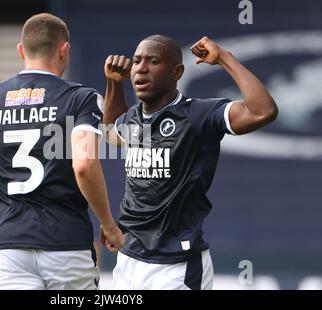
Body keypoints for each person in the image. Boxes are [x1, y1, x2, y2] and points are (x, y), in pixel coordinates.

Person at [0, 13, 124, 290]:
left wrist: (0, 209)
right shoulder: (81, 99)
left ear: (21, 50)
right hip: (65, 245)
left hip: (6, 248)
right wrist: (108, 224)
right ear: (64, 50)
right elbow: (84, 165)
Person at [102, 35, 278, 290]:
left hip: (176, 265)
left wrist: (224, 58)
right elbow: (110, 133)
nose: (141, 67)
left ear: (177, 72)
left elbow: (263, 111)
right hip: (128, 259)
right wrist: (114, 84)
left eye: (153, 61)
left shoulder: (199, 115)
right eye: (137, 61)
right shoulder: (133, 118)